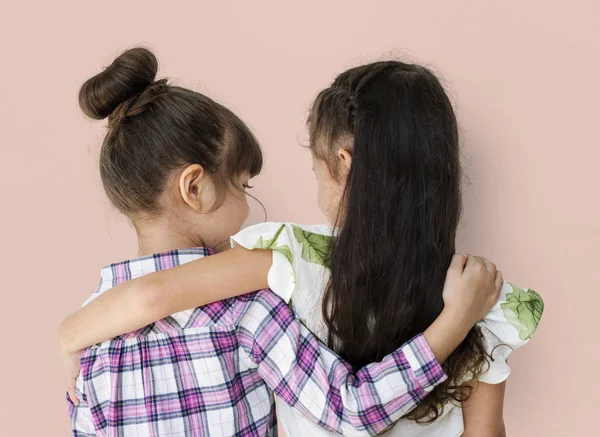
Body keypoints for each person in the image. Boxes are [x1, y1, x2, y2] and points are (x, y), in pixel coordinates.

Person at [60, 49, 508, 436]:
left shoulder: (95, 326)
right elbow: (352, 410)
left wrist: (68, 337)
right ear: (194, 188)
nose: (252, 205)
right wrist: (456, 321)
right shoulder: (250, 308)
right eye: (243, 184)